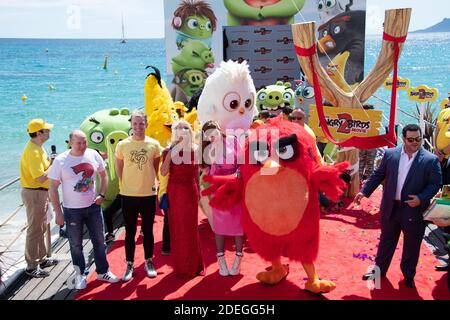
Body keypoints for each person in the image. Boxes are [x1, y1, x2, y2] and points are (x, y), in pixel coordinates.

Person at [354, 124, 442, 288]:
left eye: (418, 139)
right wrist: (364, 191)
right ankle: (379, 271)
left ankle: (408, 276)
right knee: (386, 242)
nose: (415, 142)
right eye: (411, 139)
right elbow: (378, 174)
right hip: (390, 207)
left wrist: (421, 198)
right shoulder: (390, 154)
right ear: (403, 138)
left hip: (414, 209)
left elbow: (435, 184)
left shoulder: (431, 160)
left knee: (412, 245)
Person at [48, 130, 118, 290]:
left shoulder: (93, 154)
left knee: (100, 241)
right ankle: (80, 274)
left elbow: (104, 175)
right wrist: (58, 212)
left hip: (93, 207)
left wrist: (102, 194)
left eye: (85, 142)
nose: (82, 146)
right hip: (72, 210)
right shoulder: (60, 160)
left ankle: (103, 271)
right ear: (70, 142)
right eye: (78, 143)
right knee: (76, 245)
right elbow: (52, 188)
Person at [115, 109, 162, 281]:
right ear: (131, 125)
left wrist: (150, 183)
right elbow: (119, 168)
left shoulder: (154, 145)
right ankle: (129, 264)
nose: (138, 126)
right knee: (129, 232)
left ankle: (149, 261)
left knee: (148, 231)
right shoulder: (122, 145)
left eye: (141, 123)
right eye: (135, 123)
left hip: (148, 194)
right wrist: (126, 184)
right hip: (128, 195)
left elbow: (155, 168)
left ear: (146, 124)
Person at [160, 120, 205, 278]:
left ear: (190, 131)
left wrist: (198, 192)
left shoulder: (195, 149)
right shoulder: (168, 150)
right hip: (175, 192)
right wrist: (170, 155)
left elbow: (196, 173)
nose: (183, 130)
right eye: (179, 128)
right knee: (177, 227)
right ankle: (181, 266)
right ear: (175, 132)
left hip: (190, 191)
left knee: (191, 228)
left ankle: (193, 264)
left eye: (186, 127)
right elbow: (164, 172)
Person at [201, 121, 244, 276]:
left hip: (236, 187)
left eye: (214, 132)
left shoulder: (233, 141)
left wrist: (239, 171)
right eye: (208, 135)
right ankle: (221, 260)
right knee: (219, 226)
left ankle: (238, 260)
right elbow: (209, 172)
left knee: (238, 225)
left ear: (220, 130)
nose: (212, 136)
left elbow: (242, 161)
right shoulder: (208, 149)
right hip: (219, 189)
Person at [20, 119, 58, 278]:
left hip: (40, 192)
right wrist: (54, 163)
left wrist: (51, 162)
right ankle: (31, 266)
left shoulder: (38, 147)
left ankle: (41, 259)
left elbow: (44, 171)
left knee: (41, 226)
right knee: (35, 229)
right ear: (39, 133)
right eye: (46, 130)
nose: (49, 132)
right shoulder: (33, 151)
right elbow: (40, 177)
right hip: (35, 192)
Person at [432, 102, 450, 271]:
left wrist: (443, 153)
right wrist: (437, 152)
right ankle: (447, 251)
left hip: (446, 159)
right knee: (445, 203)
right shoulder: (444, 112)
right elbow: (437, 131)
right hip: (444, 162)